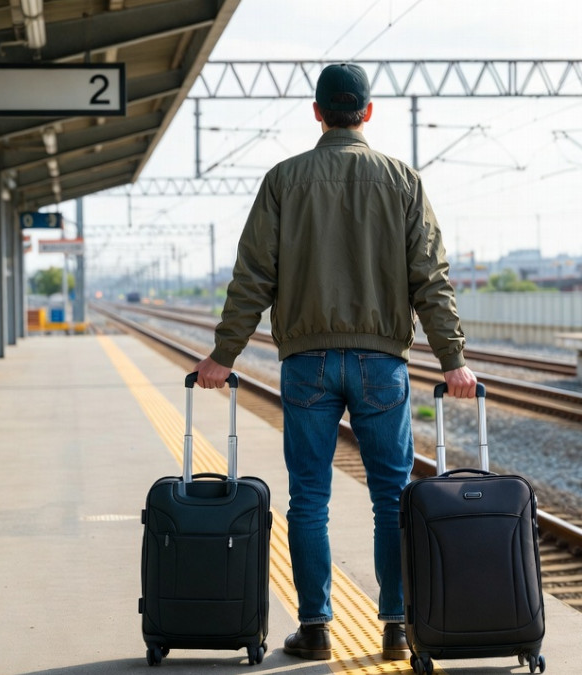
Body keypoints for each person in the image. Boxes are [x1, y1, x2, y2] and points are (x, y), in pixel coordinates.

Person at [193, 63, 477, 661]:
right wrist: (453, 360)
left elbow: (253, 278)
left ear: (318, 113)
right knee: (392, 498)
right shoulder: (402, 180)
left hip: (307, 364)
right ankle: (397, 626)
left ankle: (317, 628)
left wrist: (224, 355)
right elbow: (431, 277)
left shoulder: (283, 180)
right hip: (382, 365)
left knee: (309, 499)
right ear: (367, 113)